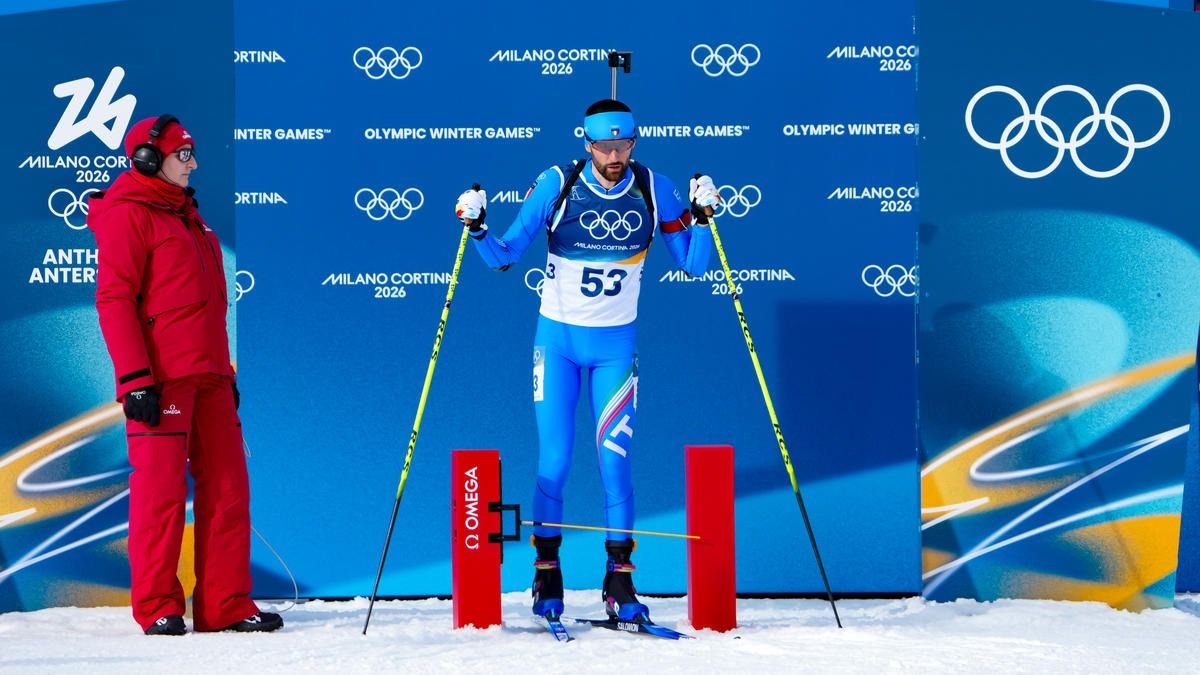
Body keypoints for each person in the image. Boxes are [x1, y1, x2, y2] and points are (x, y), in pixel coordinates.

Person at [455, 99, 719, 623]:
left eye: (624, 145)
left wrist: (707, 219)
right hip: (557, 345)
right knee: (555, 461)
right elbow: (505, 255)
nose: (615, 156)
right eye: (605, 146)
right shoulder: (558, 183)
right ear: (588, 144)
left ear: (634, 142)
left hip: (614, 349)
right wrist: (478, 227)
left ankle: (619, 580)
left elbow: (692, 265)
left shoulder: (655, 187)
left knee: (614, 463)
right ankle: (546, 572)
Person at [87, 114, 282, 636]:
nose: (194, 164)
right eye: (183, 154)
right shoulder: (129, 215)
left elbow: (206, 305)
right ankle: (158, 606)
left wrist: (225, 374)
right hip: (162, 381)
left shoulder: (191, 218)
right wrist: (135, 379)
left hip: (211, 377)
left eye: (192, 153)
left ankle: (226, 604)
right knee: (161, 495)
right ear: (149, 159)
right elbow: (114, 300)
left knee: (229, 490)